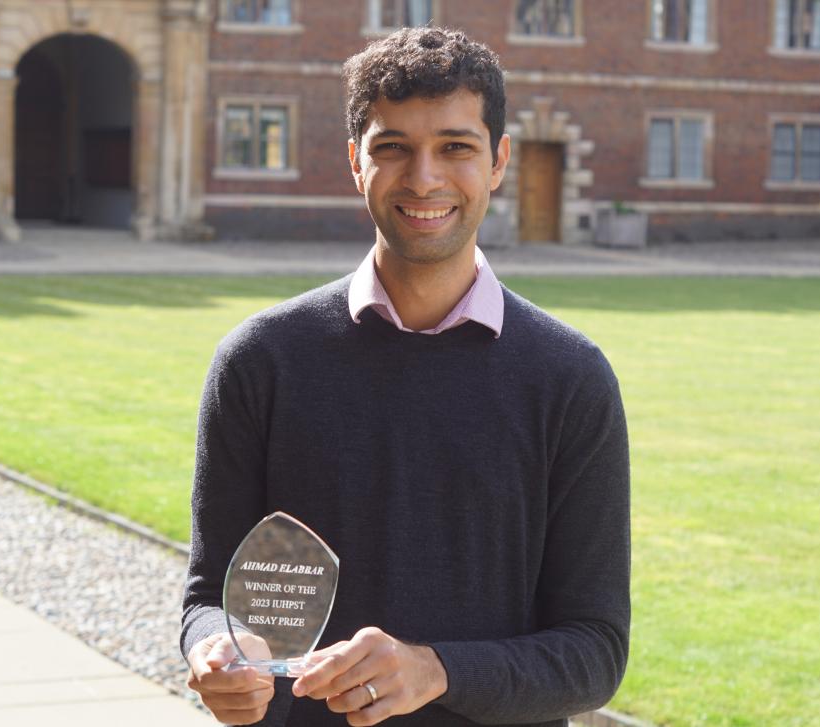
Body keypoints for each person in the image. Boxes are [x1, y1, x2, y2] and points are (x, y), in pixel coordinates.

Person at [181, 27, 630, 727]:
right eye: (393, 147)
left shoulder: (570, 378)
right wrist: (217, 650)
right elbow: (209, 594)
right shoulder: (260, 360)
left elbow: (594, 652)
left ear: (499, 161)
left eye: (455, 147)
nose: (423, 178)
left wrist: (436, 670)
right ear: (355, 161)